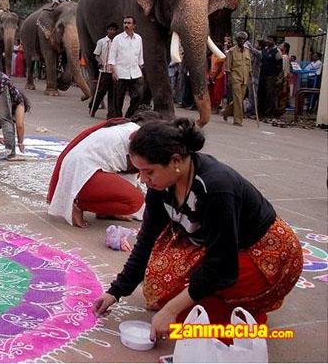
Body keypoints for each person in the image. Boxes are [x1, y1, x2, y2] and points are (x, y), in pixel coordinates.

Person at [92, 119, 302, 338]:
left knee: (185, 321)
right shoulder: (161, 184)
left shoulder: (216, 188)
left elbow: (221, 265)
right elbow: (147, 239)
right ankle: (216, 304)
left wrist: (172, 309)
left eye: (149, 172)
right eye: (140, 172)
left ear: (175, 161)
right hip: (223, 246)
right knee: (161, 289)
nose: (143, 180)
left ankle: (249, 315)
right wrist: (116, 291)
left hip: (264, 255)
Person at [48, 113, 162, 227]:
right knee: (135, 201)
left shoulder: (125, 127)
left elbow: (130, 173)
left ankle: (104, 211)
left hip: (82, 168)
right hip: (84, 171)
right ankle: (79, 205)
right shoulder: (138, 137)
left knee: (134, 197)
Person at [108, 16, 144, 118]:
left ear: (134, 26)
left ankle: (129, 116)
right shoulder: (117, 39)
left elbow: (140, 56)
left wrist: (140, 69)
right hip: (121, 73)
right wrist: (113, 71)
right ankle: (117, 118)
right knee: (118, 99)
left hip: (135, 72)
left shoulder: (138, 38)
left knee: (138, 95)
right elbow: (112, 57)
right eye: (124, 23)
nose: (126, 25)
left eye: (129, 23)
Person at [222, 32, 251, 126]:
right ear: (237, 40)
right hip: (235, 78)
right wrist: (229, 79)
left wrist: (251, 76)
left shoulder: (247, 50)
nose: (241, 41)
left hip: (245, 78)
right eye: (239, 39)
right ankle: (238, 120)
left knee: (239, 99)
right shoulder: (231, 51)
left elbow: (249, 65)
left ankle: (226, 112)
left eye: (243, 39)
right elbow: (228, 68)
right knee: (238, 99)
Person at [90, 22, 118, 118]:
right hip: (104, 71)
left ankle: (110, 114)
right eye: (110, 29)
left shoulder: (117, 42)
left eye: (114, 30)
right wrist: (99, 62)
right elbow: (96, 55)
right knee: (101, 92)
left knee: (112, 93)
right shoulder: (101, 42)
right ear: (107, 30)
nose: (112, 31)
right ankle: (93, 108)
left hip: (114, 72)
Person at [258, 36, 283, 118]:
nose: (268, 41)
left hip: (271, 76)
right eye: (267, 39)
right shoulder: (264, 50)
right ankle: (261, 112)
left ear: (274, 42)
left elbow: (279, 66)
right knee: (261, 93)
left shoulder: (277, 51)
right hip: (262, 75)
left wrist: (278, 77)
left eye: (270, 40)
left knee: (270, 94)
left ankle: (269, 113)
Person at [208, 43, 226, 112]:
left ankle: (216, 106)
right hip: (212, 75)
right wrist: (210, 75)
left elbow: (220, 68)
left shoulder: (221, 56)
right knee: (211, 92)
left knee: (217, 93)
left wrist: (214, 77)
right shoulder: (213, 55)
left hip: (218, 76)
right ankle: (212, 106)